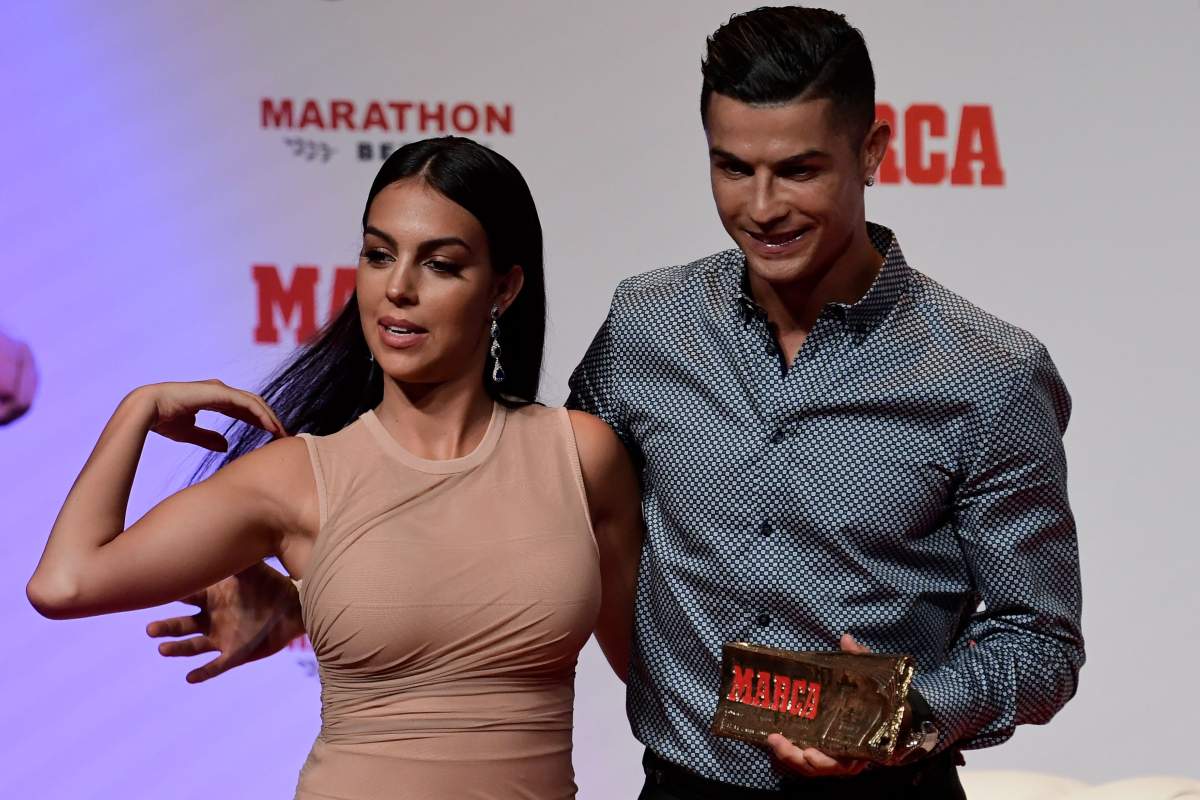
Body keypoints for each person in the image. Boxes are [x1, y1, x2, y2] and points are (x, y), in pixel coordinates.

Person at [144, 7, 1085, 799]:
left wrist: (900, 713)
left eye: (799, 170)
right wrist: (314, 602)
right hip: (679, 785)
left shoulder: (987, 374)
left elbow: (1040, 642)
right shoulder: (649, 324)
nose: (762, 206)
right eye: (732, 168)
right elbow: (530, 523)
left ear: (871, 150)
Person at [27, 137, 644, 800]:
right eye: (378, 255)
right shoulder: (298, 477)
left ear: (503, 288)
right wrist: (136, 411)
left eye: (440, 264)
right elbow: (64, 584)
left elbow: (654, 675)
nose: (398, 288)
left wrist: (300, 609)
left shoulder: (580, 456)